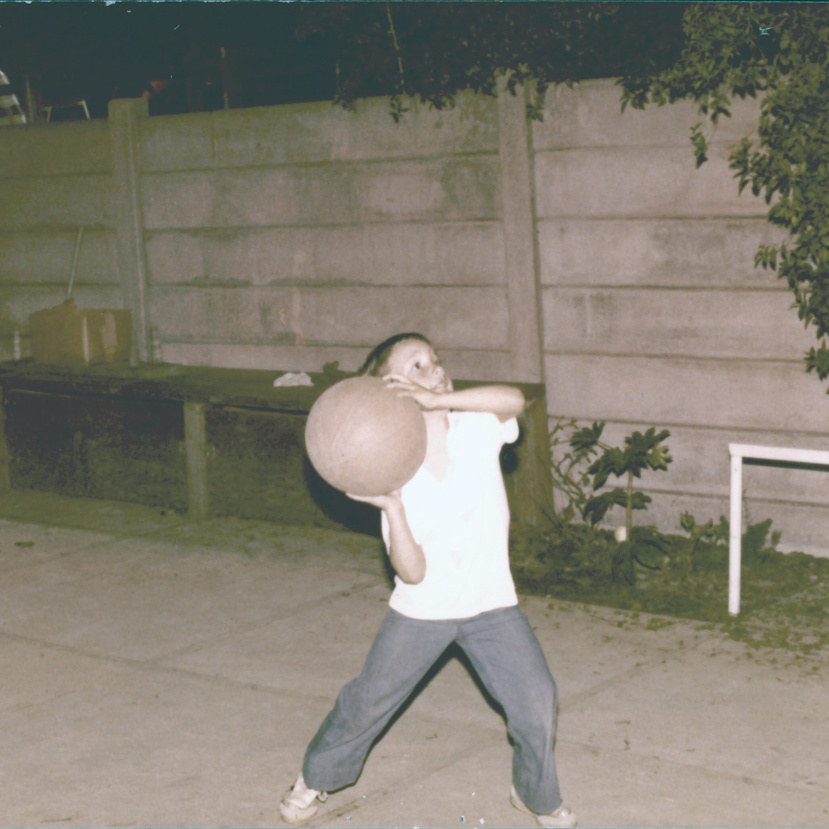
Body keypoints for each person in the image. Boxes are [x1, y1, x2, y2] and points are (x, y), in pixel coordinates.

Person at [280, 333, 576, 828]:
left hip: (491, 605)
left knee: (537, 701)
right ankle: (316, 776)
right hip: (422, 611)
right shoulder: (391, 462)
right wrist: (393, 508)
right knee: (367, 702)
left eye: (434, 360)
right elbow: (413, 572)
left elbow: (514, 400)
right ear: (387, 388)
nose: (434, 369)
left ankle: (534, 793)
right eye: (415, 366)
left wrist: (437, 401)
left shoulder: (475, 426)